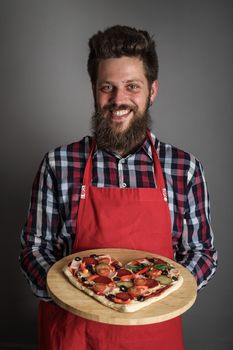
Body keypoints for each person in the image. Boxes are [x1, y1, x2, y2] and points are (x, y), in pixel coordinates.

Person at [20, 25, 217, 350]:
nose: (118, 99)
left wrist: (154, 290)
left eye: (132, 86)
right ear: (94, 89)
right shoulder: (58, 164)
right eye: (107, 87)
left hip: (154, 335)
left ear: (152, 91)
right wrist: (78, 291)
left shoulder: (184, 169)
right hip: (74, 335)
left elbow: (202, 253)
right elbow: (33, 249)